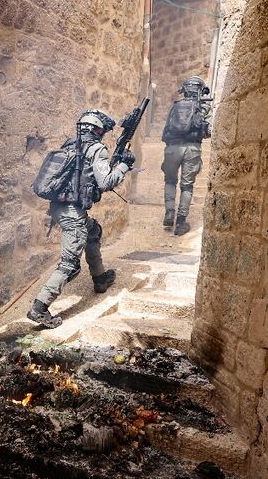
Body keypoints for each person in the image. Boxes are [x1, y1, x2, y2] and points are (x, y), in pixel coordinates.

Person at [27, 110, 134, 329]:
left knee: (92, 232)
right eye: (102, 131)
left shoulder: (70, 146)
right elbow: (105, 182)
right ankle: (39, 308)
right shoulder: (96, 149)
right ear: (97, 130)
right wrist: (124, 166)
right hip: (72, 214)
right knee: (70, 265)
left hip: (59, 209)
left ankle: (100, 278)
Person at [160, 76, 212, 235]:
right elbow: (207, 132)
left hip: (172, 148)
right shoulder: (203, 107)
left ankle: (169, 212)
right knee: (187, 186)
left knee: (170, 181)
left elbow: (167, 128)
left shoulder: (176, 106)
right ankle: (181, 222)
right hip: (192, 149)